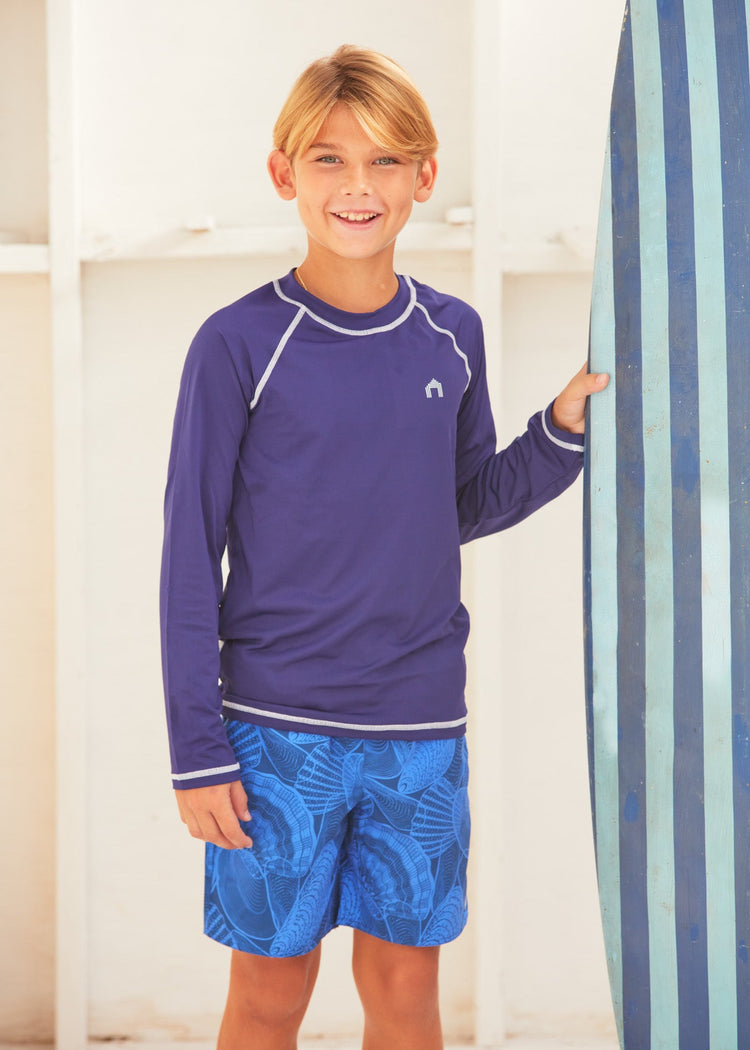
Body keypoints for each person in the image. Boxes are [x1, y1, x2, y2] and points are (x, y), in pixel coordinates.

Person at [160, 44, 608, 1050]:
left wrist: (563, 427)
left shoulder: (452, 335)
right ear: (284, 175)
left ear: (424, 176)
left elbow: (461, 503)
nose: (358, 187)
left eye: (385, 162)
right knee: (271, 996)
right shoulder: (236, 345)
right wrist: (197, 752)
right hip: (273, 737)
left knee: (406, 997)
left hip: (419, 732)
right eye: (328, 161)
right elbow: (189, 555)